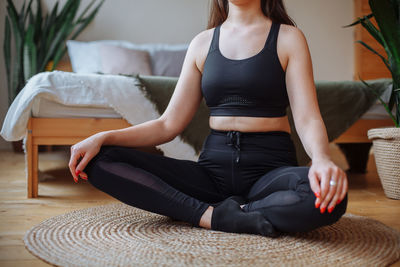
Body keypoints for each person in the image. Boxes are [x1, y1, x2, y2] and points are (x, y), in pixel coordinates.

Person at [69, 0, 348, 237]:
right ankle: (210, 216)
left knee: (330, 198)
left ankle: (236, 212)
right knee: (98, 160)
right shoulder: (202, 43)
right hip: (212, 173)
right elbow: (168, 124)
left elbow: (308, 117)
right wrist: (102, 137)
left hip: (269, 172)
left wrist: (322, 159)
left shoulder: (288, 37)